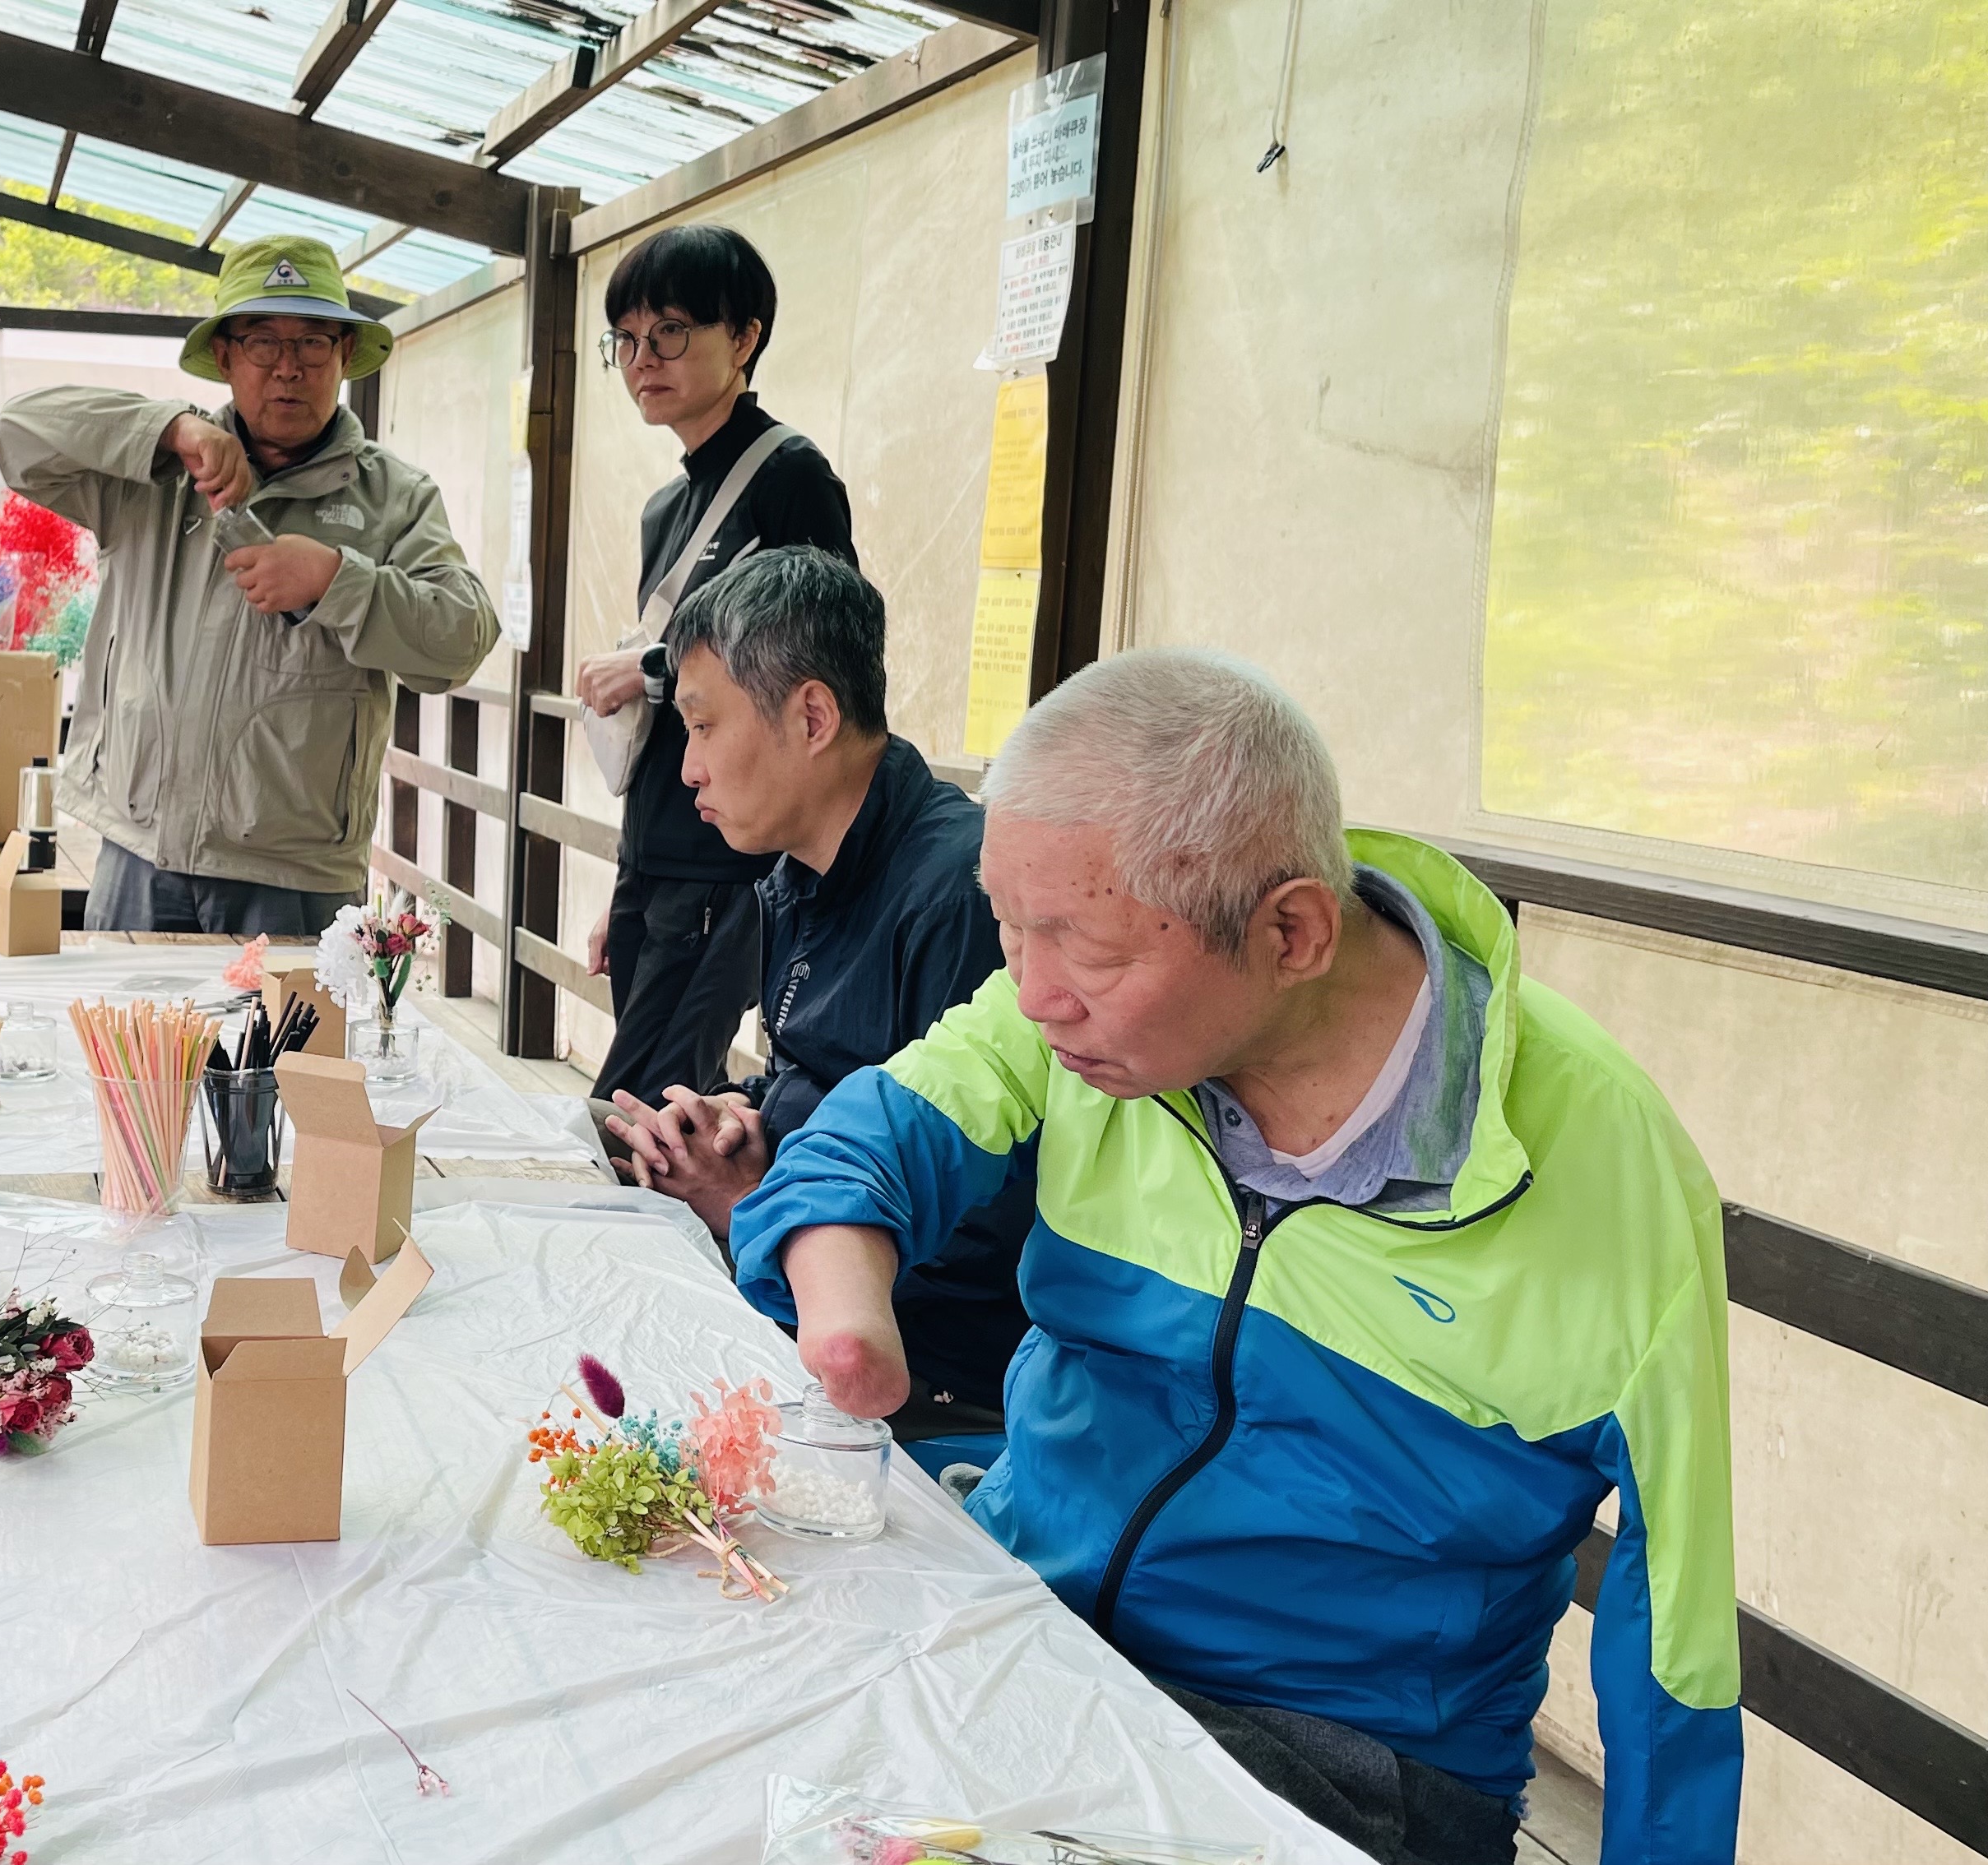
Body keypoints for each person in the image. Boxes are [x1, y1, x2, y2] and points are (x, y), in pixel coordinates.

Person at [732, 649, 1739, 1865]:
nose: (1035, 994)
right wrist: (850, 1329)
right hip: (1029, 1610)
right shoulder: (1083, 1021)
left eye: (1087, 951)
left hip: (1345, 1753)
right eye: (1007, 925)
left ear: (1292, 932)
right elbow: (869, 1142)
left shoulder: (1604, 1168)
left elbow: (1675, 1631)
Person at [596, 548, 1030, 1430]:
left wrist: (753, 1207)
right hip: (789, 1268)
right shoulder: (794, 872)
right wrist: (733, 1116)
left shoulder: (962, 895)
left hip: (919, 1372)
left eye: (703, 727)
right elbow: (811, 1074)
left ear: (814, 717)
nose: (687, 769)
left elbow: (982, 1222)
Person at [0, 234, 498, 936]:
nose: (289, 368)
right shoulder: (158, 475)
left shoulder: (395, 498)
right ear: (226, 356)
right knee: (119, 1014)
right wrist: (169, 429)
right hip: (138, 854)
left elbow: (462, 638)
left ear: (345, 354)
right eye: (263, 342)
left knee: (286, 1020)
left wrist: (334, 580)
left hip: (297, 881)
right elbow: (17, 435)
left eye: (313, 342)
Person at [572, 227, 854, 1105]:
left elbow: (825, 646)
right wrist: (627, 879)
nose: (642, 360)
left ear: (744, 337)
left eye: (670, 331)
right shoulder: (665, 508)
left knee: (635, 1109)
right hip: (656, 844)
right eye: (625, 339)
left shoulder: (792, 478)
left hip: (729, 862)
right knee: (659, 1104)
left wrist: (649, 667)